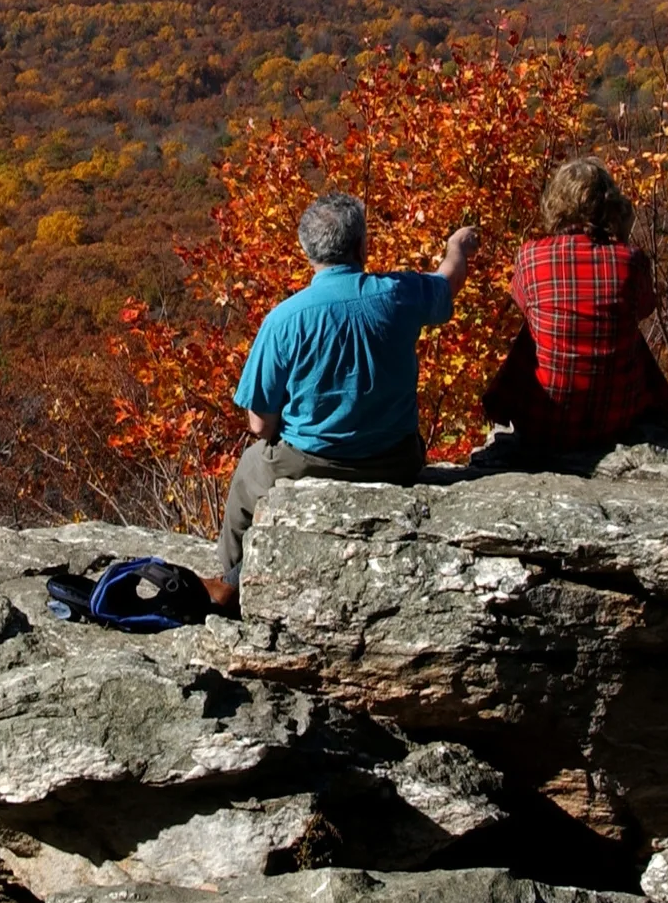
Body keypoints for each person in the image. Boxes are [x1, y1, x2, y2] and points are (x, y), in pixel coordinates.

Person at [205, 191, 480, 608]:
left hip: (307, 465)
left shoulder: (285, 319)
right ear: (361, 246)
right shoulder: (400, 294)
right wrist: (457, 247)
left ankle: (232, 583)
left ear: (306, 251)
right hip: (397, 462)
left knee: (248, 473)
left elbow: (259, 424)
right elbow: (449, 280)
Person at [483, 156, 668, 453]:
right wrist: (623, 241)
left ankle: (497, 410)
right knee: (624, 327)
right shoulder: (631, 260)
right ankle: (664, 406)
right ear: (610, 205)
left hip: (542, 423)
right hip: (616, 420)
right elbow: (644, 308)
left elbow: (525, 304)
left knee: (535, 331)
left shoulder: (530, 256)